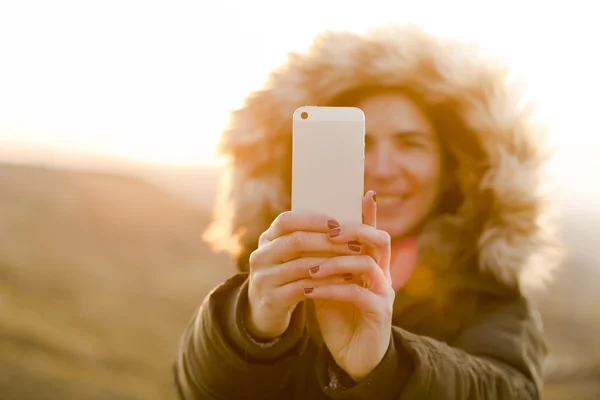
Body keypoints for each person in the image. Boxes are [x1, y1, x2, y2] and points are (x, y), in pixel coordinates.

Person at [174, 25, 562, 399]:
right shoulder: (275, 273)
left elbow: (508, 391)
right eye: (359, 144)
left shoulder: (490, 297)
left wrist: (387, 366)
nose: (383, 168)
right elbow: (195, 389)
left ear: (448, 171)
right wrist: (253, 328)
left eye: (411, 144)